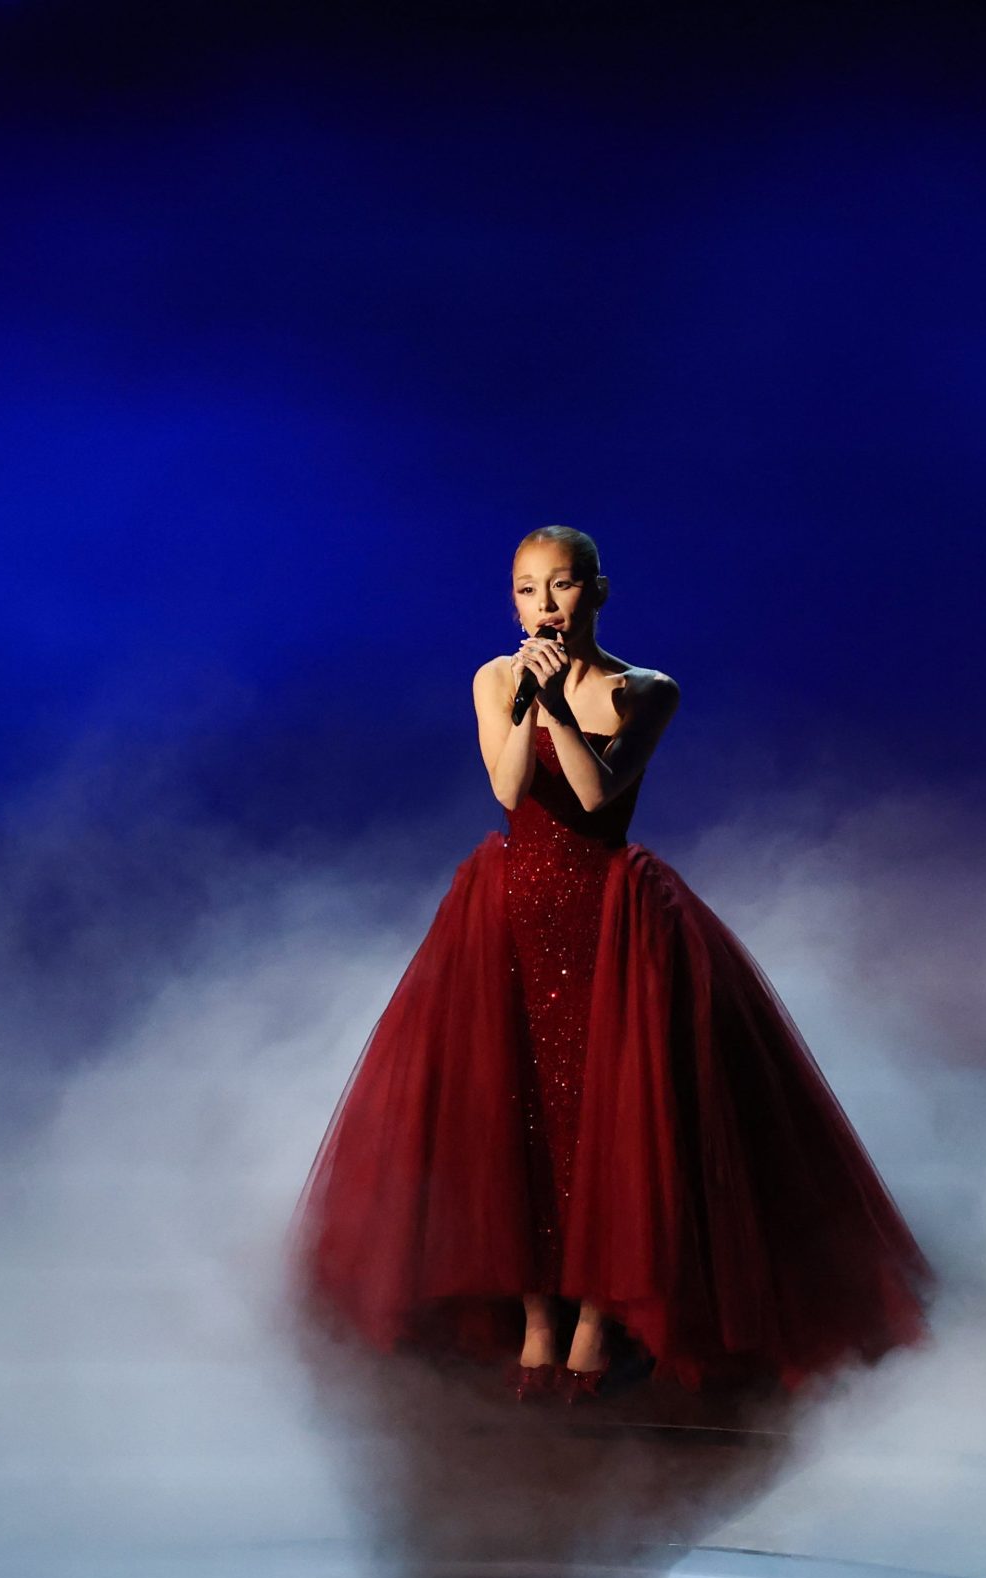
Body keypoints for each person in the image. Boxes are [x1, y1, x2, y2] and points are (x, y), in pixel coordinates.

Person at [290, 526, 934, 1404]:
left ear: (597, 592)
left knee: (608, 1121)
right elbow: (511, 791)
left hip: (613, 918)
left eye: (559, 587)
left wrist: (557, 704)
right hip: (512, 915)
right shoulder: (491, 678)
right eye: (525, 589)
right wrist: (525, 701)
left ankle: (593, 1324)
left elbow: (596, 794)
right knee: (515, 1118)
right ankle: (538, 1323)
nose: (542, 606)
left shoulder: (647, 690)